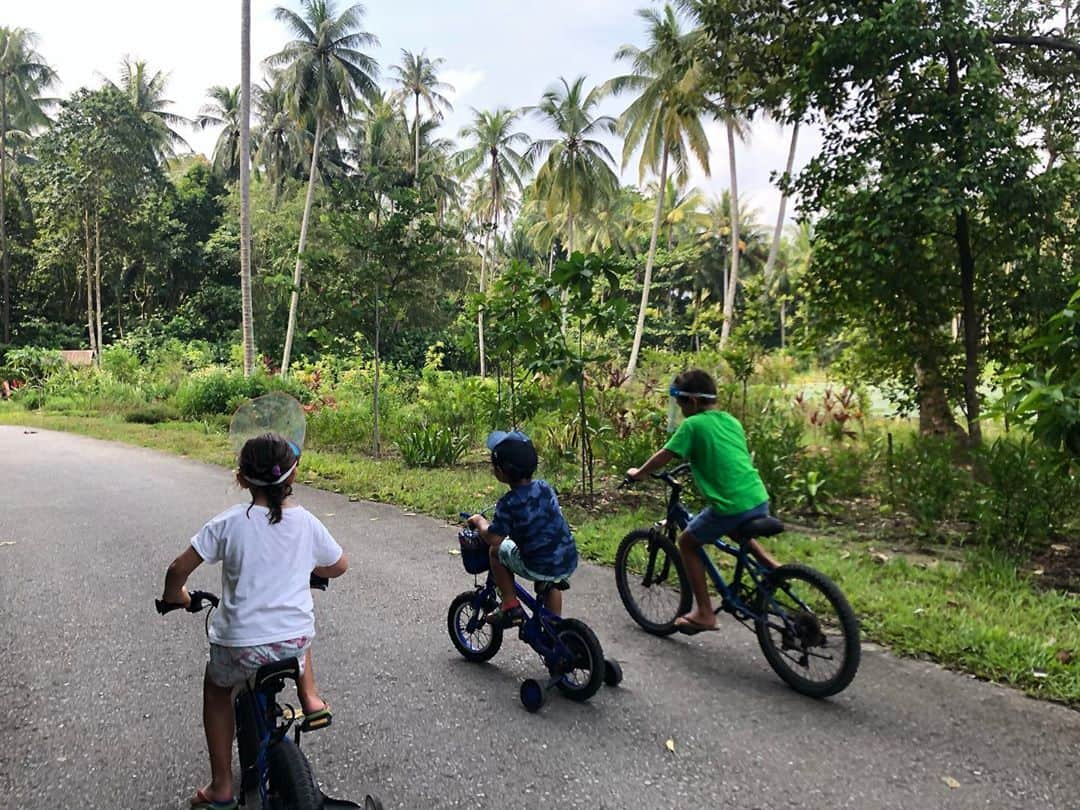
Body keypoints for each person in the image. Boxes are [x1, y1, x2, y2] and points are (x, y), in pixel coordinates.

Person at [158, 433, 348, 810]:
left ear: (241, 478)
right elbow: (338, 565)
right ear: (293, 475)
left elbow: (177, 568)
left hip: (239, 646)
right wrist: (307, 569)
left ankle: (221, 787)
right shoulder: (306, 522)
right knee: (298, 631)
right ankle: (310, 698)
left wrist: (174, 596)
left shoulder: (228, 523)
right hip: (292, 644)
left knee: (216, 691)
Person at [626, 369, 778, 635]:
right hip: (757, 498)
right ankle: (776, 569)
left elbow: (665, 455)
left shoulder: (693, 425)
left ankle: (705, 613)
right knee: (734, 527)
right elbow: (723, 454)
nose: (680, 409)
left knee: (687, 542)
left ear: (693, 402)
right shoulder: (730, 420)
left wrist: (639, 473)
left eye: (681, 402)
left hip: (730, 505)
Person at [467, 430, 579, 627]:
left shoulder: (508, 503)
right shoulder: (544, 487)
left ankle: (510, 605)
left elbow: (494, 538)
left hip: (538, 563)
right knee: (551, 583)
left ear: (500, 472)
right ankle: (555, 627)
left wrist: (479, 521)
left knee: (495, 552)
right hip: (566, 556)